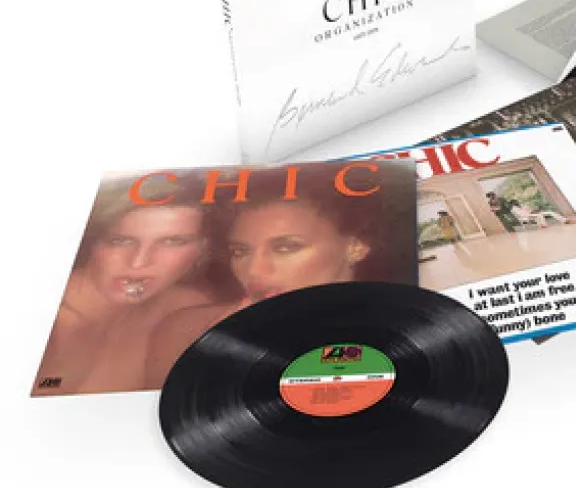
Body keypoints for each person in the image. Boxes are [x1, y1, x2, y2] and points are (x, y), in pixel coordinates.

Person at [144, 163, 414, 387]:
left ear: (356, 246)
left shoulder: (408, 334)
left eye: (285, 248)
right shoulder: (184, 332)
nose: (254, 270)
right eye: (240, 251)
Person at [32, 172, 234, 396]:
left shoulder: (185, 307)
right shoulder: (44, 322)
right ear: (92, 242)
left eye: (172, 241)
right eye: (120, 240)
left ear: (203, 248)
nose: (138, 262)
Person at [508, 199, 575, 228]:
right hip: (526, 217)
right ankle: (543, 225)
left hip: (532, 213)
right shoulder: (514, 209)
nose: (518, 202)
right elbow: (523, 215)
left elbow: (530, 210)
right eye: (516, 202)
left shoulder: (521, 205)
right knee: (539, 215)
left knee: (550, 212)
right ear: (513, 203)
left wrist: (534, 210)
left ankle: (565, 221)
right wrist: (530, 212)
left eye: (517, 201)